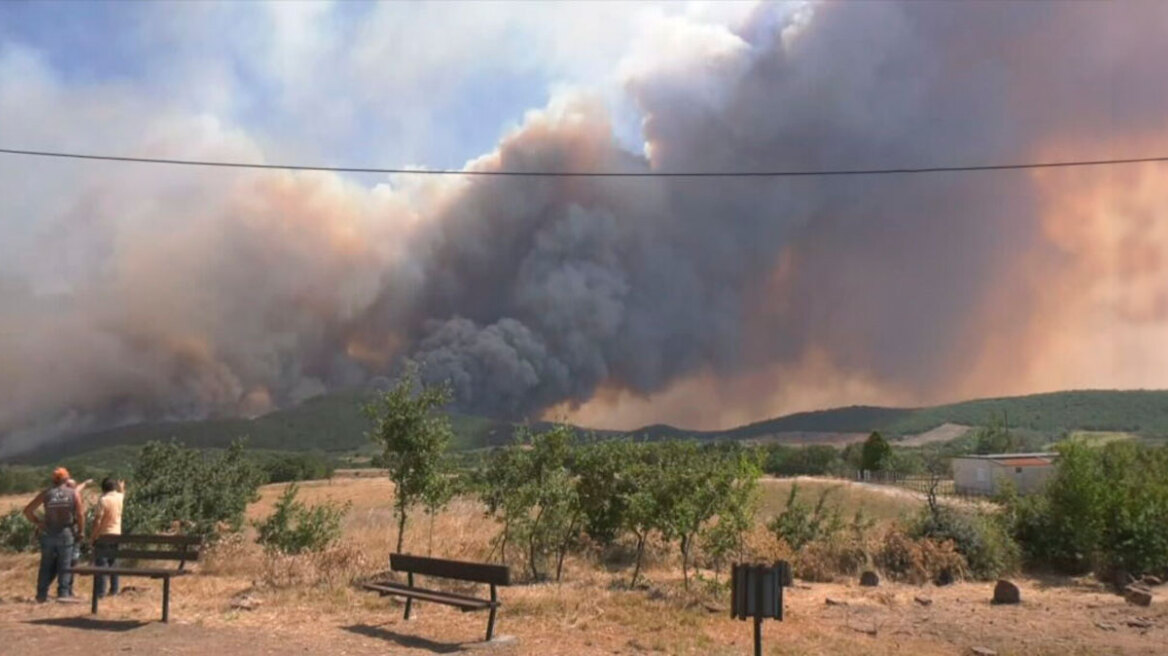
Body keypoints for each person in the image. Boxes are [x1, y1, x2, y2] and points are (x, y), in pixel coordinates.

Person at [23, 467, 85, 603]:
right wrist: (81, 531)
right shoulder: (73, 494)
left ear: (53, 479)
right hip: (66, 532)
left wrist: (38, 522)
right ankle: (63, 594)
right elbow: (80, 514)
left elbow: (28, 510)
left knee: (45, 565)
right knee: (65, 564)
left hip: (48, 533)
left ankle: (41, 594)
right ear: (66, 479)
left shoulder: (46, 493)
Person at [89, 477, 125, 598]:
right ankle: (114, 589)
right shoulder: (120, 498)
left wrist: (93, 536)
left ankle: (101, 592)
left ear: (103, 488)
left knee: (102, 564)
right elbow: (122, 493)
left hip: (104, 534)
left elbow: (97, 520)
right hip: (117, 534)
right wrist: (121, 487)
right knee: (113, 562)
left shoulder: (103, 500)